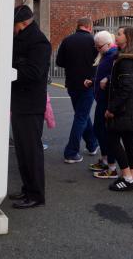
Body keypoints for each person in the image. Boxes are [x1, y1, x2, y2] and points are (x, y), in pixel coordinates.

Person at [10, 5, 51, 209]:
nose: (13, 30)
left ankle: (36, 194)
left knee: (31, 151)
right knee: (22, 150)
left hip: (30, 104)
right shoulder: (24, 38)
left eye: (14, 25)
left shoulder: (38, 42)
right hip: (20, 102)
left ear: (24, 23)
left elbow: (34, 72)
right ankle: (27, 188)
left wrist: (9, 68)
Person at [105, 26, 133, 191]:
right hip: (131, 108)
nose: (116, 36)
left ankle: (127, 177)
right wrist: (110, 81)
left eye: (119, 34)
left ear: (128, 38)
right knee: (129, 142)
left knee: (113, 140)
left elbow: (126, 88)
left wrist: (111, 109)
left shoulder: (125, 61)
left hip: (124, 109)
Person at [56, 18, 99, 163]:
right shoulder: (94, 41)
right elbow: (100, 62)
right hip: (88, 84)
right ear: (89, 26)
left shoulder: (67, 40)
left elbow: (59, 62)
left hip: (72, 84)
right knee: (81, 116)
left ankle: (92, 144)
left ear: (78, 26)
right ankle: (71, 152)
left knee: (82, 114)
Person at [83, 31, 118, 179]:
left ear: (109, 44)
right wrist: (93, 80)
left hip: (108, 101)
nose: (97, 50)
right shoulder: (106, 55)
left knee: (106, 133)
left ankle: (112, 167)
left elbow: (118, 75)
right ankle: (105, 161)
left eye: (99, 47)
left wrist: (108, 79)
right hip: (102, 100)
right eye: (96, 46)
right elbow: (101, 73)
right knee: (99, 130)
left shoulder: (115, 56)